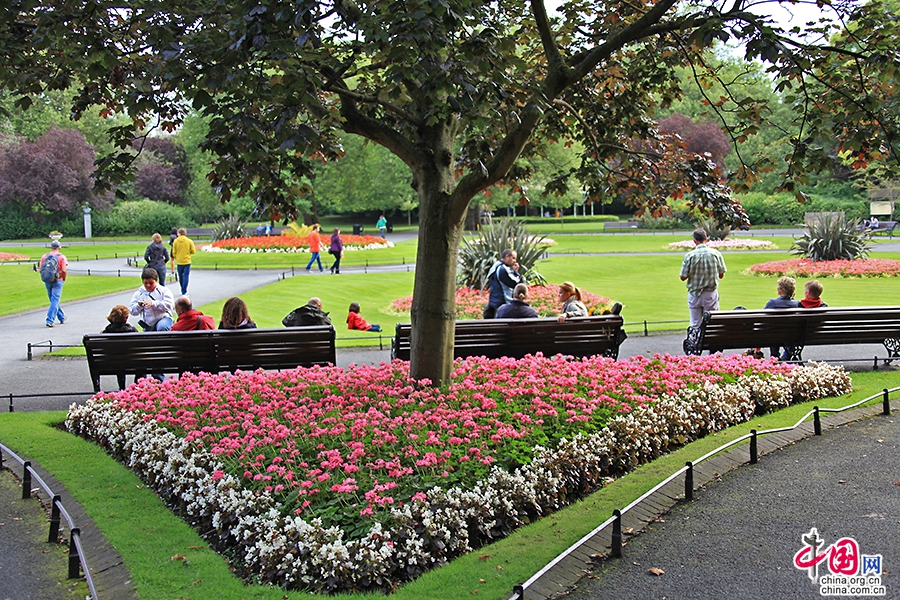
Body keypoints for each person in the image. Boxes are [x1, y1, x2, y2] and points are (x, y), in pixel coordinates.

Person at [679, 228, 727, 327]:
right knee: (712, 322)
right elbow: (721, 275)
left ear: (694, 241)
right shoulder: (716, 254)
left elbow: (683, 277)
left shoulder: (689, 256)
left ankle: (696, 337)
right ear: (707, 239)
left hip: (694, 294)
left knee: (695, 323)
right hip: (710, 294)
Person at [101, 305, 138, 389]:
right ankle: (136, 386)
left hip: (112, 362)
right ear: (126, 318)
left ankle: (121, 387)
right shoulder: (132, 331)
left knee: (118, 359)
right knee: (140, 365)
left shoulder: (107, 332)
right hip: (133, 362)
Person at [764, 276, 801, 361]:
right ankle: (787, 356)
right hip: (792, 335)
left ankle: (775, 356)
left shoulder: (772, 303)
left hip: (774, 335)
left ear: (781, 290)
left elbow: (764, 319)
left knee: (773, 331)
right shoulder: (798, 304)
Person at [129, 266, 175, 332]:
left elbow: (169, 305)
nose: (148, 285)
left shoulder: (164, 291)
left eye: (151, 283)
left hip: (163, 318)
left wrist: (153, 304)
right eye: (146, 283)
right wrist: (139, 306)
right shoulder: (138, 294)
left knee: (162, 327)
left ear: (156, 280)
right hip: (148, 324)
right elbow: (132, 311)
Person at [483, 248, 522, 319]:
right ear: (507, 256)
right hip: (502, 302)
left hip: (494, 301)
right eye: (513, 258)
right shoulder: (503, 269)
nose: (515, 261)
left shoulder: (495, 266)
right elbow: (514, 284)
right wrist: (516, 272)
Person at [39, 240, 68, 327]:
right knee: (55, 300)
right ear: (59, 247)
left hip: (47, 280)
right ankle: (50, 320)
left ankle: (62, 317)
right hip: (58, 280)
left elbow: (40, 269)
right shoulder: (61, 257)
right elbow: (64, 270)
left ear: (51, 247)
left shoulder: (45, 256)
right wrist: (63, 278)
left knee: (53, 300)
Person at [172, 227, 196, 295]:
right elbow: (193, 251)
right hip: (187, 261)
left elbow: (174, 252)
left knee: (180, 276)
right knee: (186, 276)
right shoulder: (189, 241)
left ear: (179, 233)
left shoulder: (176, 241)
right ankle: (184, 290)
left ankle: (182, 288)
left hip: (179, 261)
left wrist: (177, 257)